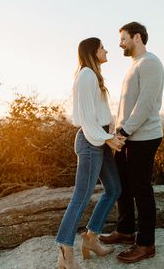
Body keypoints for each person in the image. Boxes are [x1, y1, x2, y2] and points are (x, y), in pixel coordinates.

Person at [56, 37, 125, 269]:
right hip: (90, 141)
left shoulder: (93, 76)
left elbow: (97, 114)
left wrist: (109, 136)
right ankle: (65, 251)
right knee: (82, 196)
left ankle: (91, 237)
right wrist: (107, 138)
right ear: (93, 52)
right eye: (103, 47)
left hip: (100, 139)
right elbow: (86, 119)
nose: (107, 51)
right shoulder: (86, 75)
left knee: (114, 189)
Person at [99, 22, 164, 264]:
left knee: (141, 189)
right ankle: (126, 231)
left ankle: (146, 244)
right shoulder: (134, 65)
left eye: (123, 39)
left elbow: (146, 105)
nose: (120, 44)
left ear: (137, 37)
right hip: (128, 137)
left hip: (143, 137)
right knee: (122, 185)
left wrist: (124, 132)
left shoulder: (150, 63)